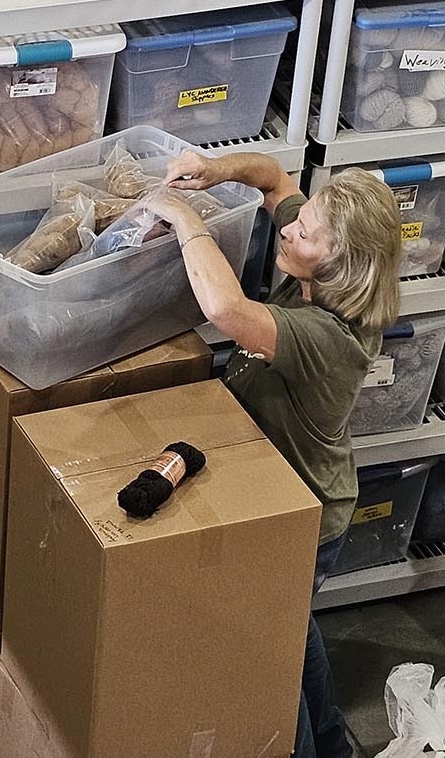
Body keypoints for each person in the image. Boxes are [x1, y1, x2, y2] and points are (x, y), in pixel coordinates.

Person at [151, 151, 402, 758]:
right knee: (293, 634)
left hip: (306, 511)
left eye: (304, 234)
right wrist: (215, 171)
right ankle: (334, 749)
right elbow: (272, 177)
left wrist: (187, 219)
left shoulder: (330, 338)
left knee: (266, 652)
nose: (288, 230)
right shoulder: (315, 260)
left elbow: (226, 311)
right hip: (292, 490)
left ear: (340, 265)